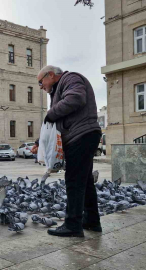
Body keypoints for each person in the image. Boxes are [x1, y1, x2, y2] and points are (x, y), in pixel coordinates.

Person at [38, 65, 102, 238]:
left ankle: (73, 225)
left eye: (41, 82)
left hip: (81, 135)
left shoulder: (70, 78)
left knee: (73, 180)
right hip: (83, 135)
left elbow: (76, 98)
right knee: (86, 181)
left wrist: (51, 113)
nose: (41, 87)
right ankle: (92, 221)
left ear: (50, 75)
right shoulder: (60, 87)